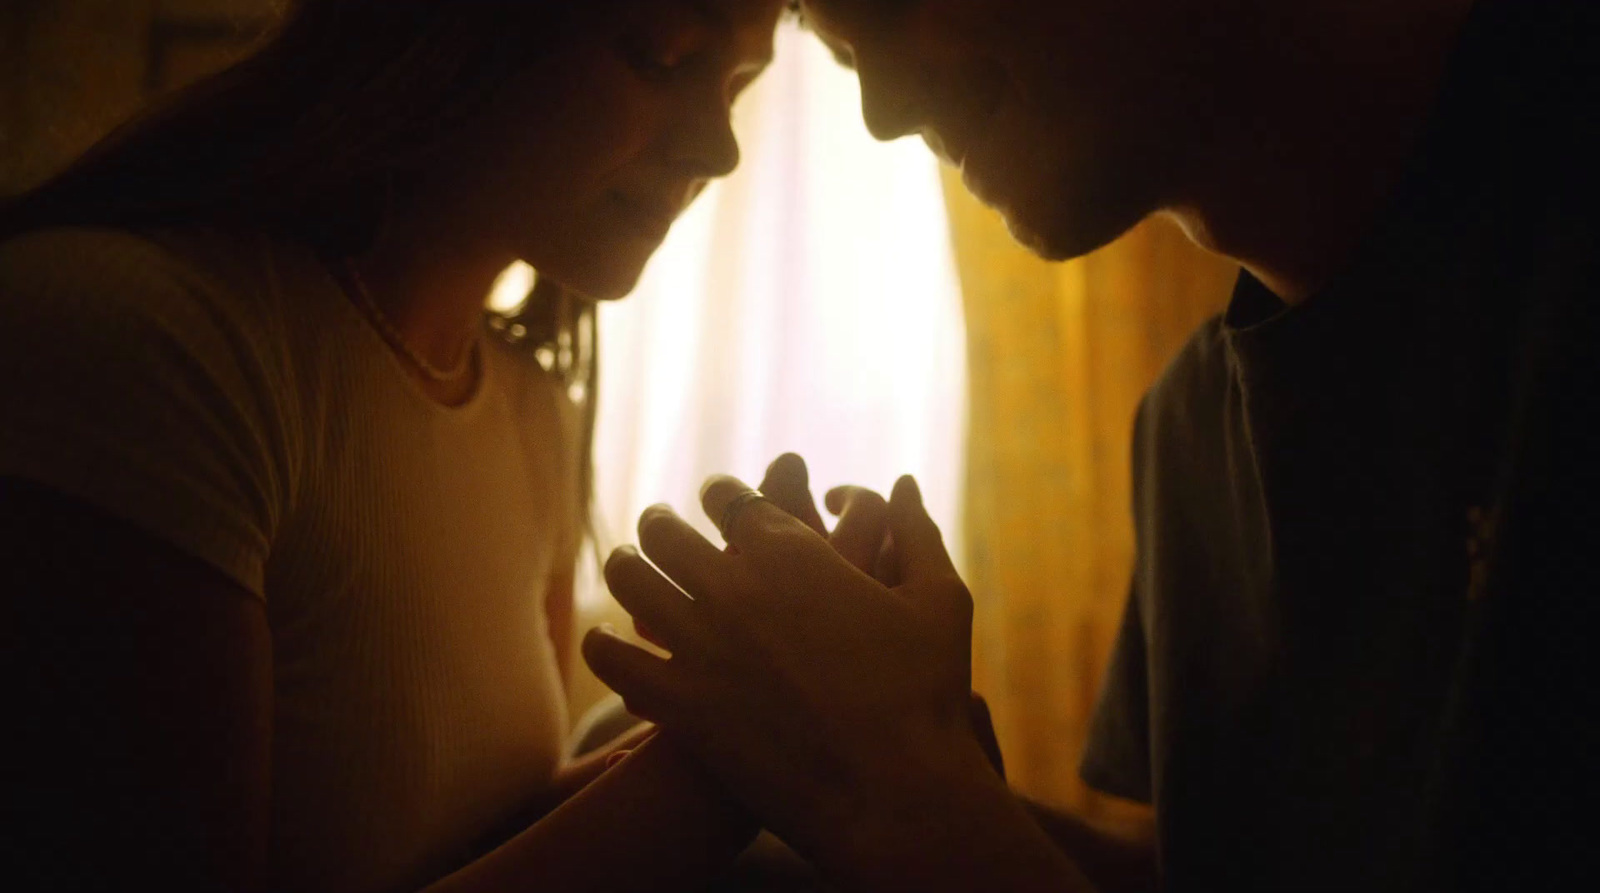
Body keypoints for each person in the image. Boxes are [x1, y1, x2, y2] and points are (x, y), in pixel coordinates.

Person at [586, 0, 1600, 890]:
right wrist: (840, 753)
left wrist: (908, 799)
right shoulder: (1189, 427)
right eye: (847, 54)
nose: (884, 113)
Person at [0, 1, 792, 891]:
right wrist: (730, 773)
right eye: (664, 57)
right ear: (451, 33)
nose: (721, 150)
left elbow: (477, 833)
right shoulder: (151, 342)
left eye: (739, 84)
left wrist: (744, 723)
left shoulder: (533, 411)